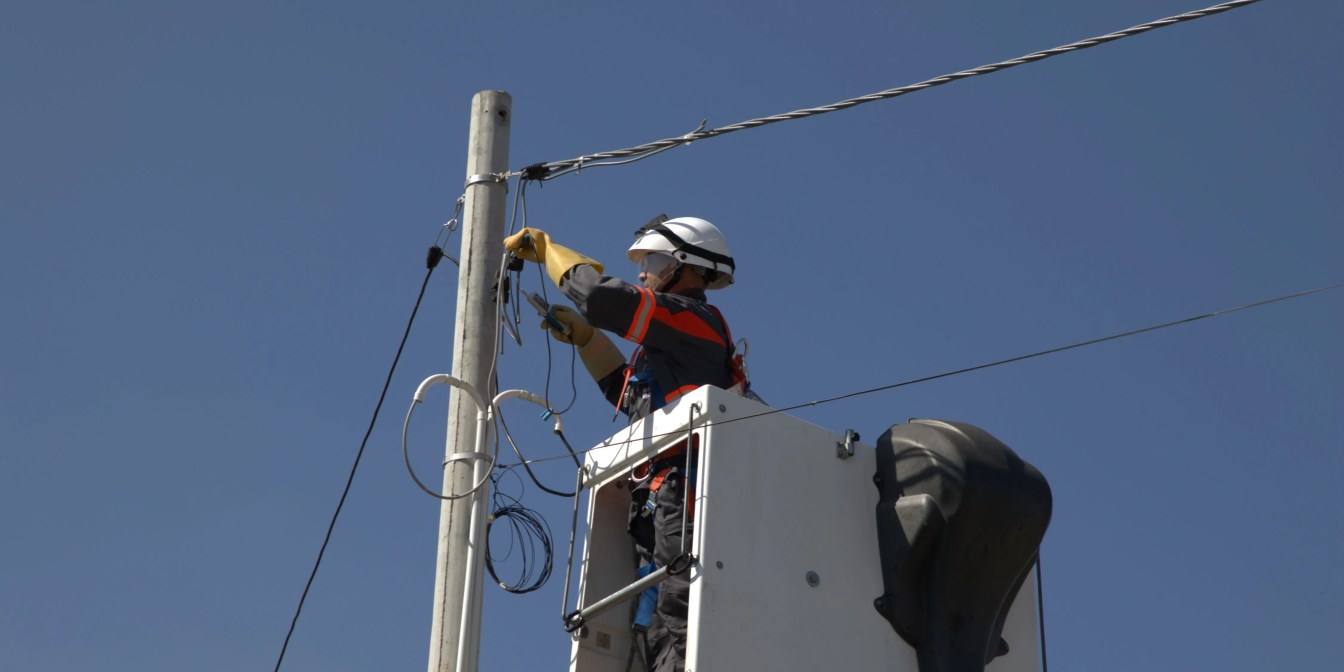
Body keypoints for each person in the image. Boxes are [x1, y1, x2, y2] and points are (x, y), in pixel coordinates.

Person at [504, 215, 745, 672]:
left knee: (680, 625)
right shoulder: (672, 343)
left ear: (685, 265)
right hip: (658, 509)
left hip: (684, 500)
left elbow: (602, 298)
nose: (641, 271)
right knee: (653, 632)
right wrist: (587, 340)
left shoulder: (696, 320)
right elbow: (629, 392)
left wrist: (550, 251)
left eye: (651, 260)